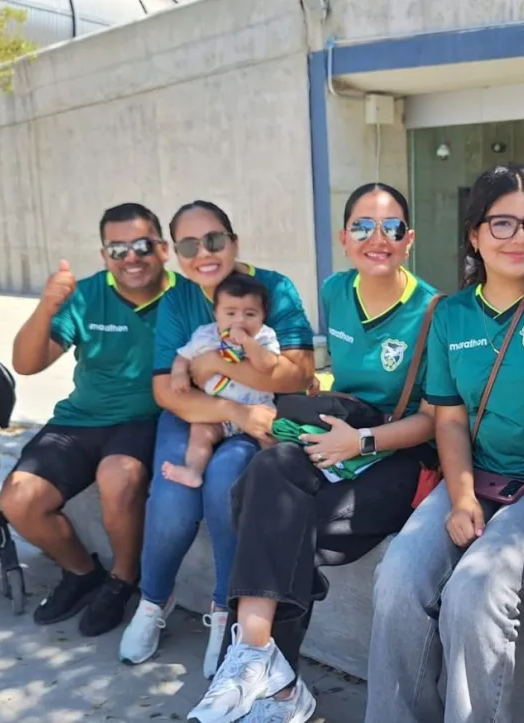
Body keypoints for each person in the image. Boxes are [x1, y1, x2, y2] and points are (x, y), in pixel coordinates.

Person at [365, 164, 524, 723]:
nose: (520, 238)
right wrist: (461, 499)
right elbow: (451, 421)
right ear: (474, 234)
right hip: (474, 476)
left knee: (474, 592)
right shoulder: (450, 315)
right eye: (502, 224)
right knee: (398, 576)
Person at [185, 182, 439, 723]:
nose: (378, 238)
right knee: (267, 470)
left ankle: (279, 686)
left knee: (281, 524)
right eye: (363, 227)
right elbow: (330, 373)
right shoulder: (334, 290)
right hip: (335, 440)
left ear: (409, 239)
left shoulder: (434, 310)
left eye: (391, 228)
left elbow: (438, 418)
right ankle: (256, 656)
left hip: (395, 452)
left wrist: (362, 440)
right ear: (344, 238)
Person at [118, 200, 315, 676]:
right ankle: (152, 602)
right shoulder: (178, 300)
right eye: (189, 244)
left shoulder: (273, 289)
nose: (203, 253)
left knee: (227, 482)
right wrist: (230, 408)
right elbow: (167, 388)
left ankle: (223, 615)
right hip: (205, 415)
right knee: (172, 495)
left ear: (234, 242)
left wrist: (218, 367)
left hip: (260, 416)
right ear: (175, 252)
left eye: (214, 240)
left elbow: (298, 375)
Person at [0, 202, 174, 637]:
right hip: (81, 420)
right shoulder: (87, 295)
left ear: (163, 249)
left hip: (146, 420)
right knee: (18, 500)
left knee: (119, 477)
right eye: (117, 249)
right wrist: (46, 307)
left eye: (141, 245)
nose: (131, 257)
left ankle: (123, 580)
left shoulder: (187, 296)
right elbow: (26, 363)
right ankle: (81, 573)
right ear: (104, 256)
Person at [162, 273, 281, 489]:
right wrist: (179, 374)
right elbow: (183, 356)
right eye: (230, 313)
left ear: (263, 315)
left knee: (271, 439)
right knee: (199, 433)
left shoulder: (264, 336)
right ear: (216, 313)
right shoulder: (204, 335)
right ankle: (193, 470)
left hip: (257, 408)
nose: (240, 320)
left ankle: (278, 478)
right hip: (217, 413)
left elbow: (268, 364)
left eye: (250, 314)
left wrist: (247, 342)